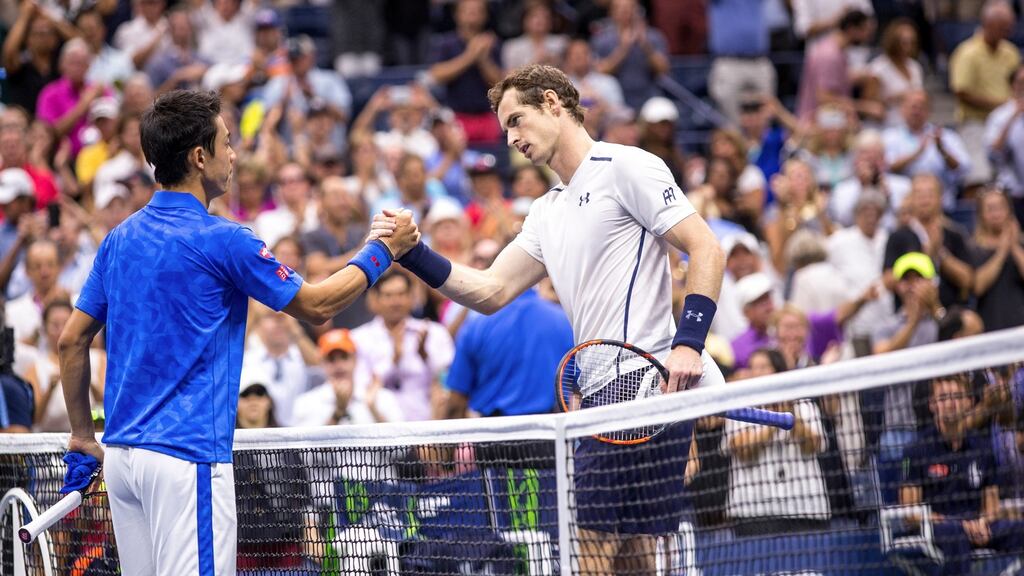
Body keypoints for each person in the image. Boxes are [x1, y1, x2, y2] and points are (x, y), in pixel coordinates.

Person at [372, 63, 726, 575]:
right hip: (607, 397)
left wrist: (690, 343)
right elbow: (491, 291)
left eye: (516, 120)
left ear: (554, 105)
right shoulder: (546, 211)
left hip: (640, 389)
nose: (510, 138)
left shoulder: (627, 167)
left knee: (587, 555)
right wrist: (414, 253)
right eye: (504, 128)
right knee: (633, 559)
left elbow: (705, 248)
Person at [58, 89, 420, 576]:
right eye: (226, 143)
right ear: (199, 156)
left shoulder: (118, 239)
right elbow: (318, 305)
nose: (234, 154)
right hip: (187, 463)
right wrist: (383, 251)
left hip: (122, 463)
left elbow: (71, 341)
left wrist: (83, 435)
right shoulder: (225, 240)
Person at [900, 374, 1024, 576]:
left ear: (969, 402)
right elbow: (910, 513)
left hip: (977, 525)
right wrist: (958, 525)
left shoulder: (982, 448)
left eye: (957, 397)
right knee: (955, 535)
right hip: (938, 528)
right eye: (943, 398)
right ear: (932, 405)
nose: (950, 404)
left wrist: (982, 522)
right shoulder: (915, 449)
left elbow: (991, 504)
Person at [969, 188, 1024, 332]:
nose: (996, 214)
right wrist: (1002, 250)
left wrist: (1014, 247)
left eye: (1000, 207)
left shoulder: (1021, 245)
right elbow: (978, 286)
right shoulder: (973, 248)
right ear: (981, 214)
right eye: (990, 209)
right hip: (991, 325)